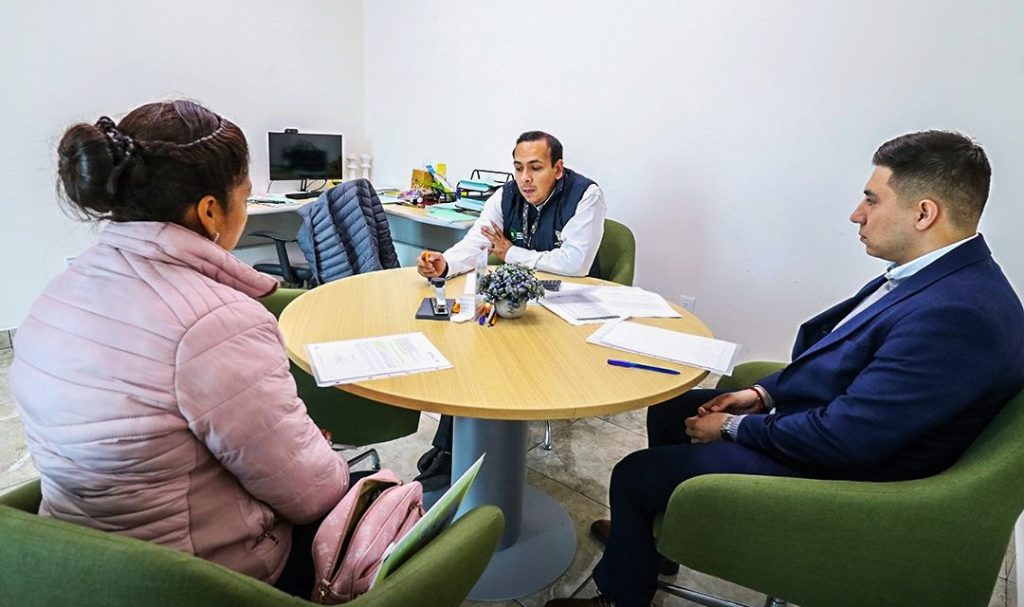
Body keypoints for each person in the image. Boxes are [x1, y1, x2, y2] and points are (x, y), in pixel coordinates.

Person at [547, 130, 1024, 607]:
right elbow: (841, 358)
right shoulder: (942, 278)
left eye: (872, 199)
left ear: (924, 213)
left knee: (634, 473)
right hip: (835, 426)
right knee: (672, 408)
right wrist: (761, 395)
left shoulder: (957, 315)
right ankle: (649, 544)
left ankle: (621, 595)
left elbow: (847, 438)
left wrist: (732, 427)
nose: (857, 214)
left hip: (845, 477)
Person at [10, 100, 350, 597]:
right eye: (245, 196)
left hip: (72, 569)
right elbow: (312, 494)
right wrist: (324, 455)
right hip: (194, 581)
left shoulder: (55, 295)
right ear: (210, 211)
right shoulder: (216, 323)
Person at [415, 131, 607, 488]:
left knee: (496, 357)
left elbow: (575, 263)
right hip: (517, 298)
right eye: (518, 168)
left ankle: (461, 454)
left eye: (535, 168)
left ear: (558, 168)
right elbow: (477, 242)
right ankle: (451, 448)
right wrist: (445, 263)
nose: (525, 178)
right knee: (471, 348)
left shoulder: (586, 196)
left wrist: (510, 253)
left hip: (565, 306)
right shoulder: (506, 196)